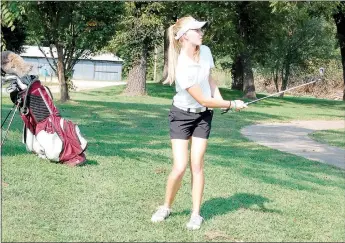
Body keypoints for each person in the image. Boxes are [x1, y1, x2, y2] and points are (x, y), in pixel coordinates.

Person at [151, 16, 247, 230]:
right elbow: (201, 98)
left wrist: (221, 101)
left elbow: (210, 81)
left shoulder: (205, 52)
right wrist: (230, 104)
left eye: (201, 29)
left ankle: (196, 214)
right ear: (184, 36)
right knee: (179, 166)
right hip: (181, 116)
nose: (202, 32)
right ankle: (166, 206)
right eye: (197, 30)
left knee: (197, 165)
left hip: (203, 116)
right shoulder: (182, 66)